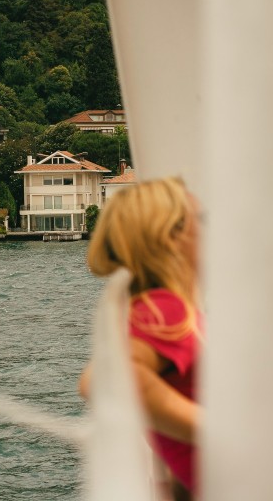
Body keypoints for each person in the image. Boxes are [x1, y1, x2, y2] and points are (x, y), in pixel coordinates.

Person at [79, 177, 202, 500]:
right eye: (199, 221)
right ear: (171, 236)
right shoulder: (166, 309)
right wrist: (223, 430)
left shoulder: (165, 307)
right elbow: (100, 380)